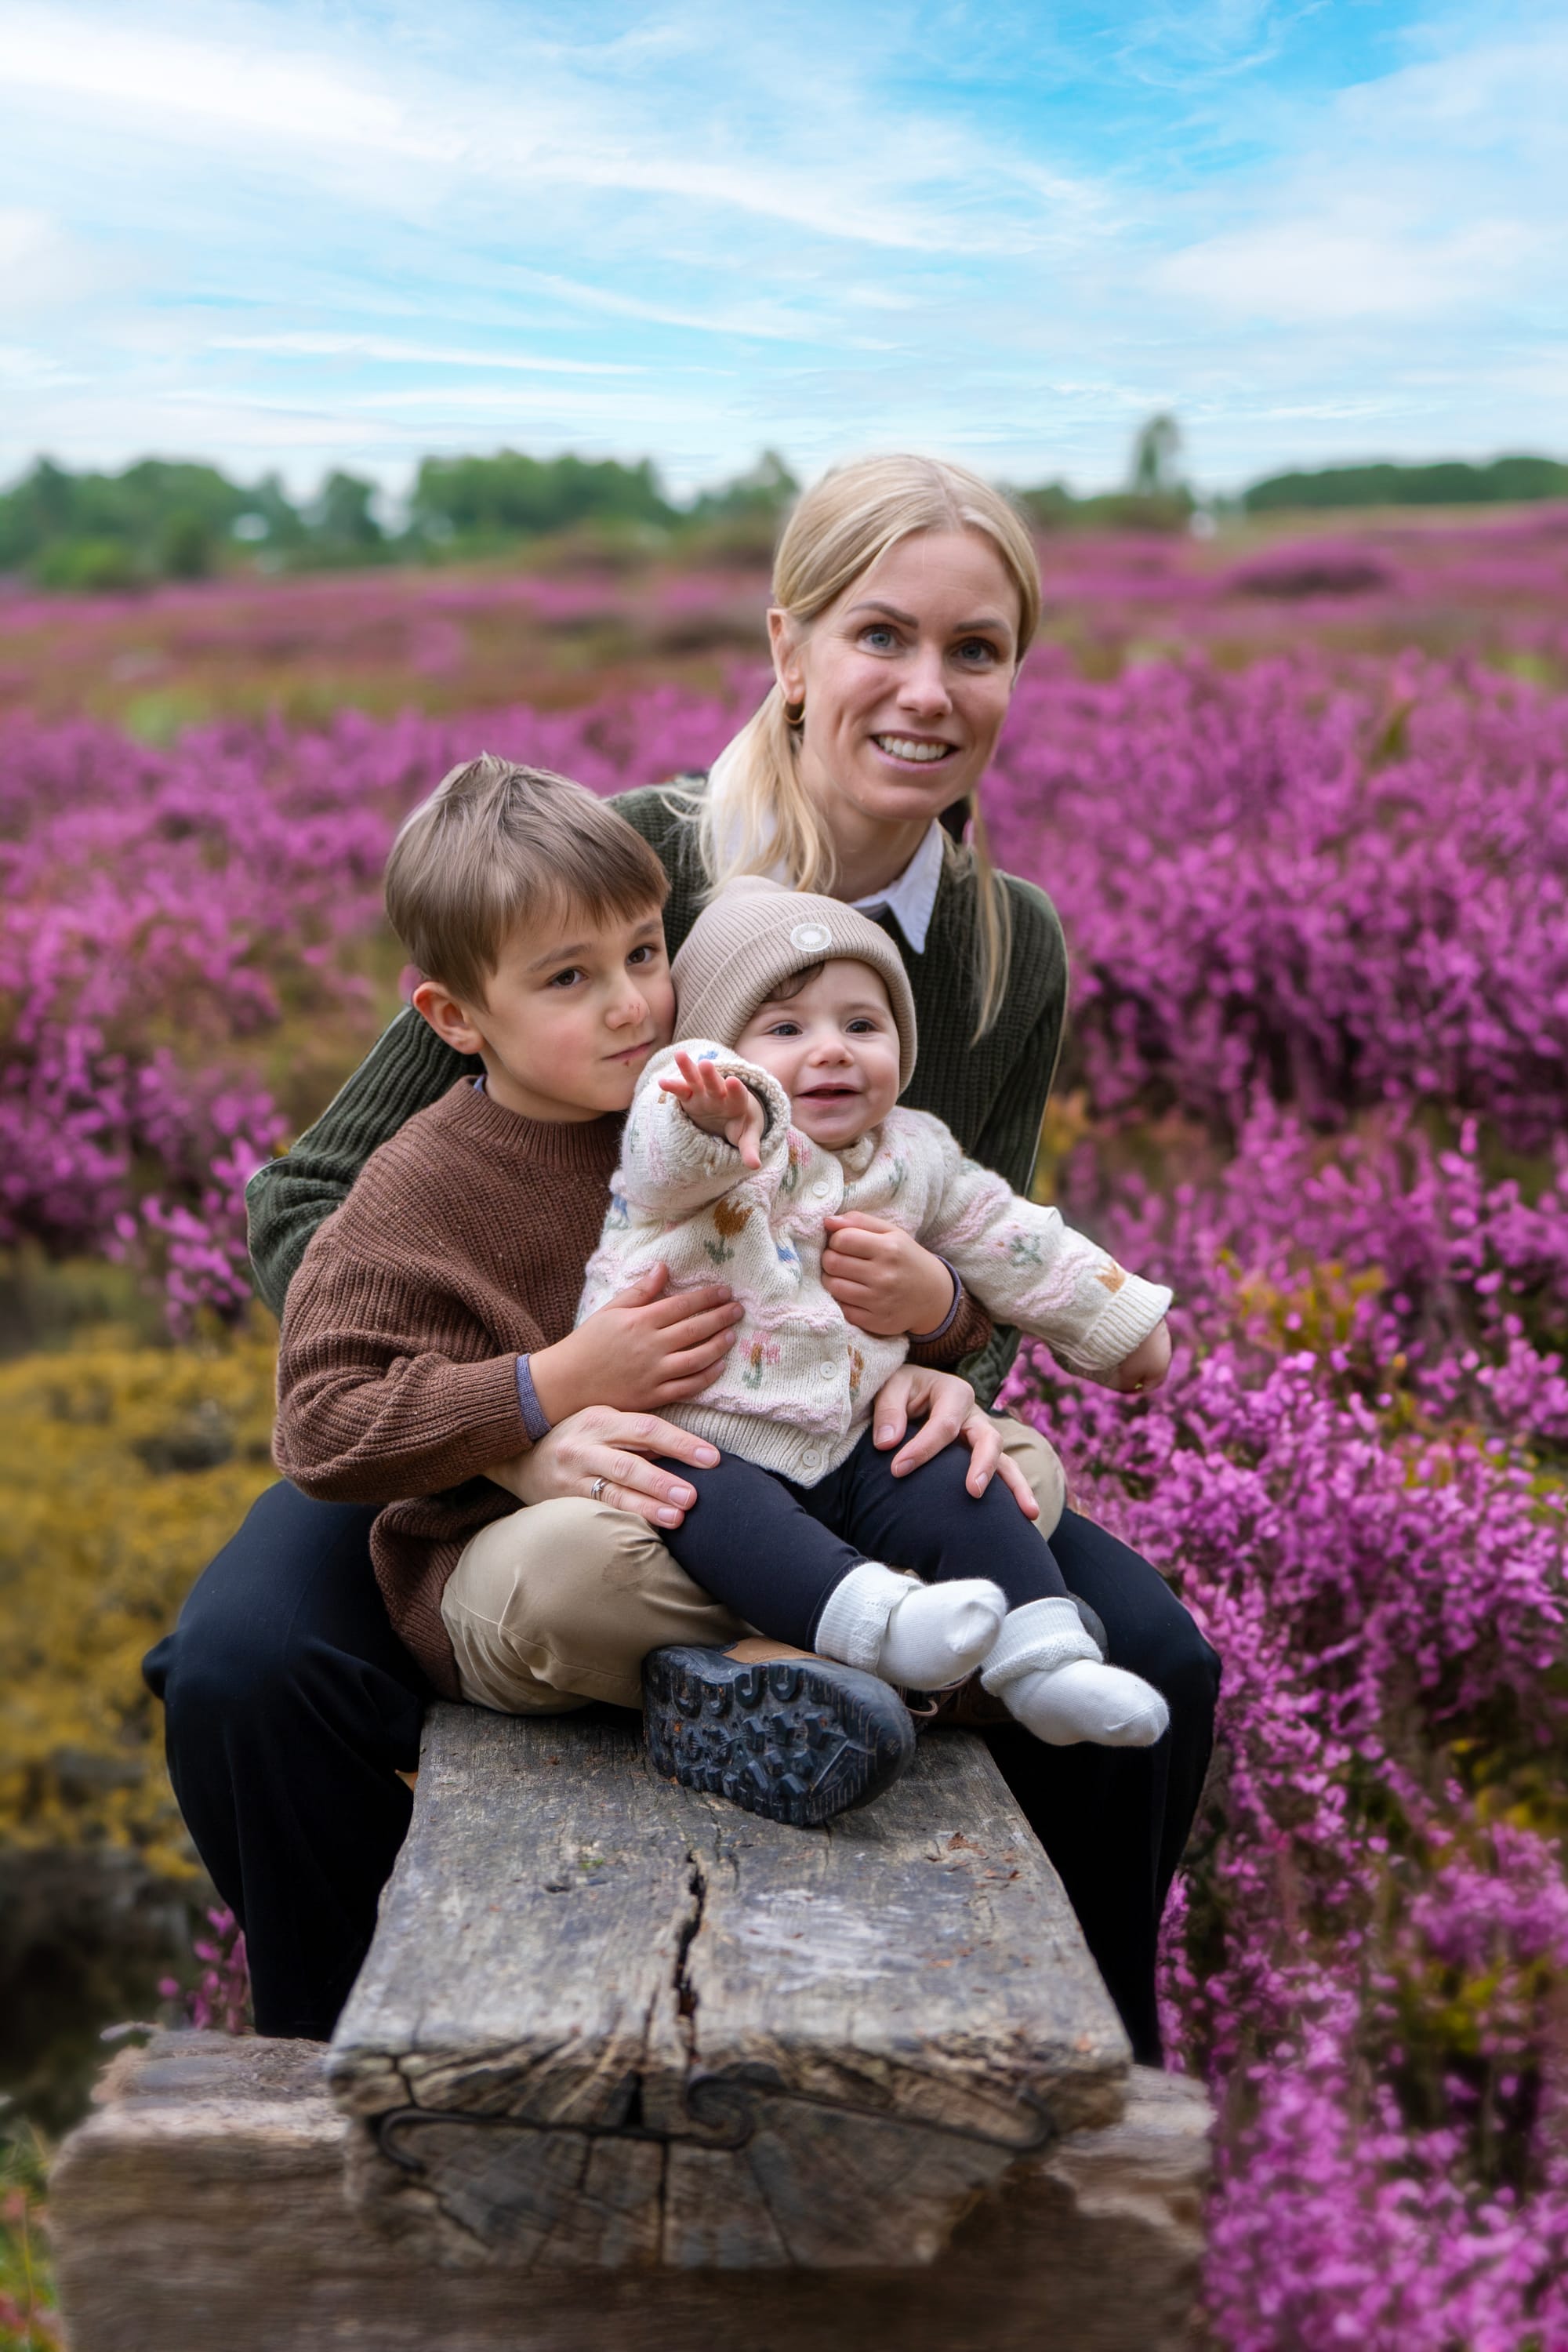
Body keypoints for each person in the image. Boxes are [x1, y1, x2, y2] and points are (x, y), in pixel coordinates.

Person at [145, 452, 1220, 2063]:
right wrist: (519, 1423)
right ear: (787, 647)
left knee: (1160, 1664)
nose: (926, 691)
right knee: (241, 1668)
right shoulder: (618, 868)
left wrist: (946, 1343)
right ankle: (365, 2072)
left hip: (828, 1439)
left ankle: (1081, 2106)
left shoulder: (1010, 951)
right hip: (534, 1415)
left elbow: (981, 1245)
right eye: (880, 636)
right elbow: (306, 1201)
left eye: (976, 650)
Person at [270, 757, 989, 1828]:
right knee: (572, 1576)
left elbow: (863, 1286)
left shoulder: (727, 1114)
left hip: (770, 1485)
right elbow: (323, 1430)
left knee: (1015, 1473)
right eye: (569, 979)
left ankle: (789, 1660)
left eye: (645, 954)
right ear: (457, 1016)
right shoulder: (423, 1185)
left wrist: (940, 1334)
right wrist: (549, 1388)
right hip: (553, 1540)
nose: (632, 1006)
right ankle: (834, 1643)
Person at [569, 875, 1175, 1758]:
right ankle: (882, 1633)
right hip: (706, 1430)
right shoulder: (711, 1144)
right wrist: (714, 1106)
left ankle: (1047, 1661)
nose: (831, 1052)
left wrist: (1117, 1327)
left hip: (855, 1434)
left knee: (960, 1486)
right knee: (710, 1504)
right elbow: (665, 1153)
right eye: (785, 1028)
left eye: (862, 1025)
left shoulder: (914, 1153)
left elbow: (1016, 1242)